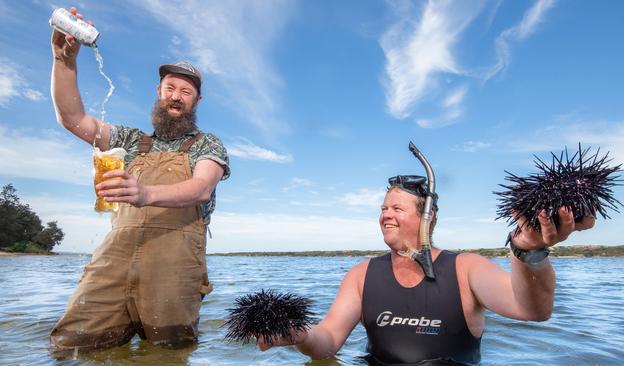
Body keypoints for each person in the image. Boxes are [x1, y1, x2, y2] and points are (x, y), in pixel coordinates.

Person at [259, 175, 595, 365]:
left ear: (427, 216)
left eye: (396, 208)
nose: (385, 215)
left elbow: (533, 310)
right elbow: (329, 340)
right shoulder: (362, 275)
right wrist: (300, 337)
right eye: (383, 208)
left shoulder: (465, 268)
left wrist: (529, 251)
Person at [48, 8, 230, 357]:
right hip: (112, 264)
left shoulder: (208, 144)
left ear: (196, 101)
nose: (176, 96)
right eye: (170, 88)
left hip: (174, 272)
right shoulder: (129, 140)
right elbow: (72, 119)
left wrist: (146, 193)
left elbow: (201, 187)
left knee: (168, 354)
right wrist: (63, 61)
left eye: (186, 92)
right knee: (72, 348)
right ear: (159, 91)